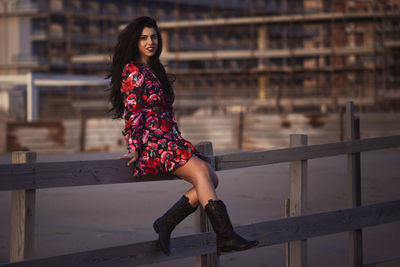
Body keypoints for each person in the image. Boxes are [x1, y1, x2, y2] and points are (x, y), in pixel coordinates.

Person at [107, 16, 258, 256]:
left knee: (210, 178)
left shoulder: (154, 69)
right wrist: (134, 147)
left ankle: (166, 222)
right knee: (202, 174)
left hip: (170, 139)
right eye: (144, 38)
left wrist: (176, 138)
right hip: (153, 142)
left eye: (154, 37)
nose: (150, 42)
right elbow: (133, 112)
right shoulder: (133, 72)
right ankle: (226, 236)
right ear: (135, 41)